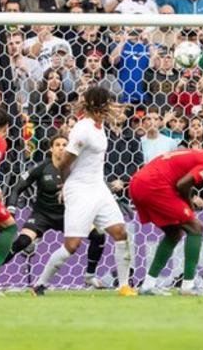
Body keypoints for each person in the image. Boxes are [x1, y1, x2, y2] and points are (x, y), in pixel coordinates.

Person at [32, 86, 137, 296]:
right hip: (80, 190)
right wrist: (65, 186)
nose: (110, 107)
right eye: (107, 104)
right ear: (99, 106)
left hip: (98, 188)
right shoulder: (83, 129)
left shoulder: (99, 127)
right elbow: (63, 163)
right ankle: (40, 284)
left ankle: (124, 286)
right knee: (72, 245)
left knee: (120, 233)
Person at [132, 145, 203, 296]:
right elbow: (183, 184)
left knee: (174, 233)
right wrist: (189, 204)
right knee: (196, 228)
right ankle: (188, 286)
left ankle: (148, 285)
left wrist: (188, 204)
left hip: (138, 182)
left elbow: (183, 180)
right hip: (154, 184)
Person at [4, 134, 108, 289]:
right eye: (57, 144)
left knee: (99, 235)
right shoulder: (41, 167)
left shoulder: (77, 169)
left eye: (65, 144)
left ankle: (89, 276)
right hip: (42, 215)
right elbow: (17, 189)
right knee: (22, 242)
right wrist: (11, 209)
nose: (61, 148)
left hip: (70, 215)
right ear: (51, 148)